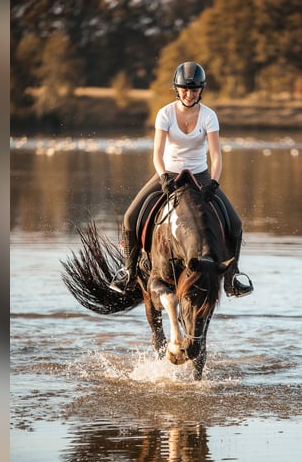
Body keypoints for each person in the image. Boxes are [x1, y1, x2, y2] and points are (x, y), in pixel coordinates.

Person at [109, 61, 254, 298]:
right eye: (185, 89)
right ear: (177, 89)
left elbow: (216, 155)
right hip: (169, 174)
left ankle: (232, 277)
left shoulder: (209, 116)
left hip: (201, 175)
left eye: (195, 90)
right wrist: (164, 175)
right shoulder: (165, 113)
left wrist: (214, 182)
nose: (189, 94)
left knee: (235, 223)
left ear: (201, 90)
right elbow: (157, 152)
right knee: (129, 218)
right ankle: (128, 271)